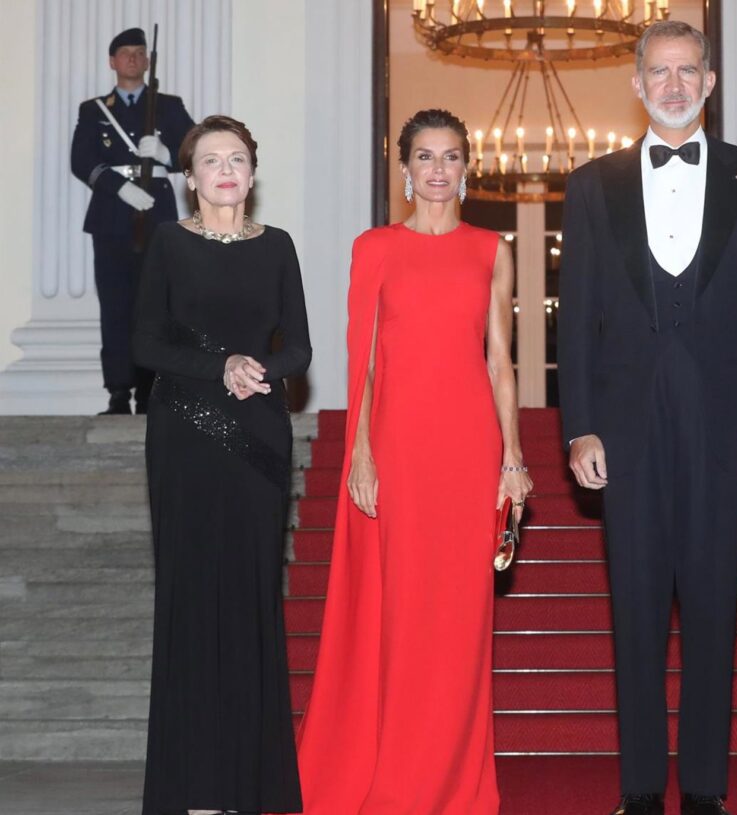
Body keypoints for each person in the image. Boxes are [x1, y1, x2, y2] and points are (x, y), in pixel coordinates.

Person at [558, 20, 737, 815]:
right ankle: (637, 789)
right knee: (632, 606)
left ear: (709, 81)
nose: (672, 85)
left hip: (728, 421)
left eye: (686, 71)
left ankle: (702, 788)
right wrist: (578, 424)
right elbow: (577, 316)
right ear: (635, 84)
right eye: (658, 72)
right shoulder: (592, 184)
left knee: (712, 605)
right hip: (623, 423)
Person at [294, 108, 531, 815]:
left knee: (460, 621)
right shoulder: (375, 248)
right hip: (395, 447)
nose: (437, 169)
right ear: (404, 169)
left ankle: (456, 784)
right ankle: (395, 774)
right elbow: (362, 361)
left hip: (468, 446)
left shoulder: (490, 248)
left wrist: (513, 457)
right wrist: (360, 452)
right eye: (424, 157)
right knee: (398, 616)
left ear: (466, 168)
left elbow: (499, 359)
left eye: (450, 157)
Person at [133, 115, 310, 815]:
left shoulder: (278, 247)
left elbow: (298, 348)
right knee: (190, 601)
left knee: (250, 601)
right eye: (212, 160)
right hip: (184, 431)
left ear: (253, 173)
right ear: (190, 177)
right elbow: (145, 343)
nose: (226, 170)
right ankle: (195, 788)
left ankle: (245, 785)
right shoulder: (169, 243)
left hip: (258, 435)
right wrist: (219, 364)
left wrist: (258, 367)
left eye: (238, 158)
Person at [72, 27, 195, 415]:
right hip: (111, 218)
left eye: (139, 53)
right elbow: (81, 160)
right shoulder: (94, 109)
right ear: (113, 62)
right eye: (125, 53)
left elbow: (194, 153)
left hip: (156, 216)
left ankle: (149, 392)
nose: (132, 59)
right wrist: (118, 188)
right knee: (116, 306)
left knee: (153, 308)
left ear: (146, 61)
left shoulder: (168, 106)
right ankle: (118, 393)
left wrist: (165, 154)